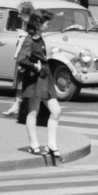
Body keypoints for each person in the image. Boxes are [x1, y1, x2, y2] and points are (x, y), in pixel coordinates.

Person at [14, 11, 67, 165]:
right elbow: (21, 59)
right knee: (33, 111)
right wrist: (35, 68)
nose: (48, 25)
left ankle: (51, 144)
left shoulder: (39, 38)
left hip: (45, 77)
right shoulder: (29, 40)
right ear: (37, 24)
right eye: (46, 23)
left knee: (56, 111)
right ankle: (34, 144)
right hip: (35, 79)